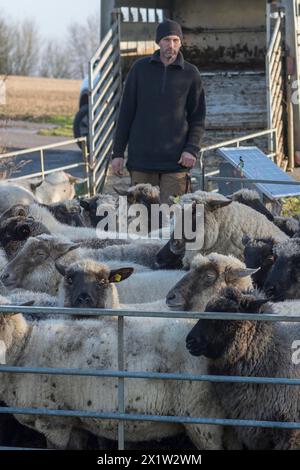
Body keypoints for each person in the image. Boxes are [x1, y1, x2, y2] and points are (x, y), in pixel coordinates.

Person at [111, 19, 206, 203]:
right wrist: (118, 153)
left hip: (176, 163)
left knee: (175, 221)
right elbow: (125, 114)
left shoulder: (191, 74)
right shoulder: (139, 69)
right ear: (158, 42)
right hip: (141, 162)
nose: (171, 45)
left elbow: (198, 118)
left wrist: (191, 149)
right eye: (167, 40)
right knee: (142, 221)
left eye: (176, 40)